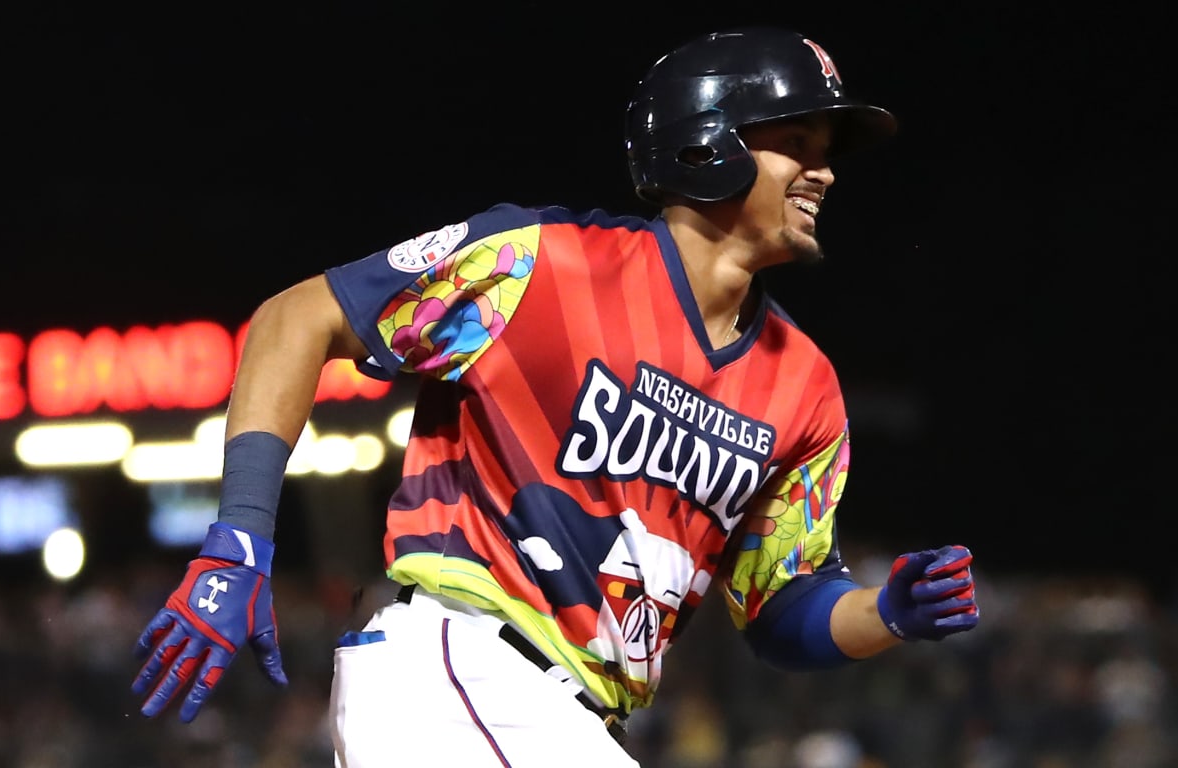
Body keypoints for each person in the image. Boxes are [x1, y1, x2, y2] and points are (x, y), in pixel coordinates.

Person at [130, 26, 980, 766]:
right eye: (799, 140)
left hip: (568, 722)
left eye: (826, 151)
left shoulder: (807, 387)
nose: (823, 173)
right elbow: (296, 319)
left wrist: (887, 612)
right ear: (706, 145)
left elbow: (780, 610)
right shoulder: (537, 263)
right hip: (454, 666)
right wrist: (239, 536)